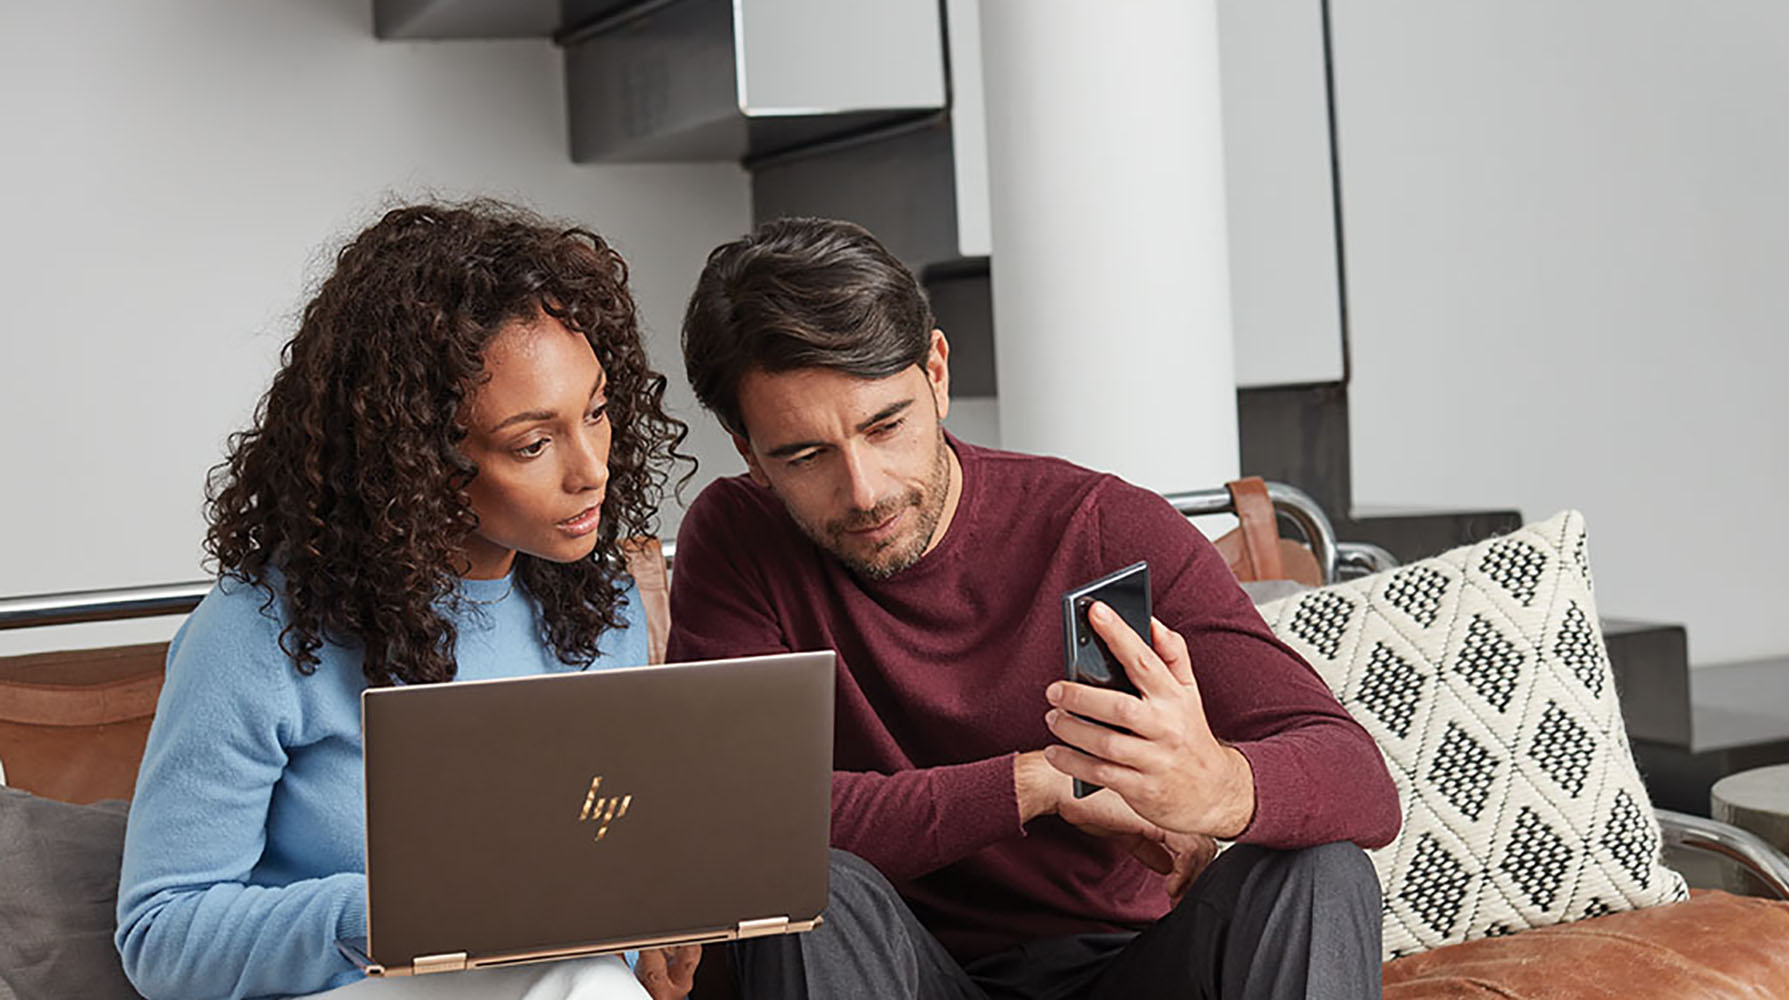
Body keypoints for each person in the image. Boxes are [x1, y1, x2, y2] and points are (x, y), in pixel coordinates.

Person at [668, 217, 1403, 1000]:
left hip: (1125, 970)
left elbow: (1357, 779)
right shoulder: (738, 541)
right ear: (748, 451)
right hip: (894, 972)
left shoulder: (1101, 525)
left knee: (1319, 868)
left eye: (887, 426)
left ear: (938, 373)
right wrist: (1042, 781)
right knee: (808, 886)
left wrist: (1213, 785)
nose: (865, 489)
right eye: (805, 456)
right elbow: (745, 823)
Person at [115, 201, 702, 1000]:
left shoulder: (601, 608)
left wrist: (650, 929)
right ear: (416, 459)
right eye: (533, 443)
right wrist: (408, 910)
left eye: (595, 412)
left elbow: (599, 862)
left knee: (581, 969)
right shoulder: (256, 633)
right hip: (352, 988)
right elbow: (161, 937)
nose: (591, 467)